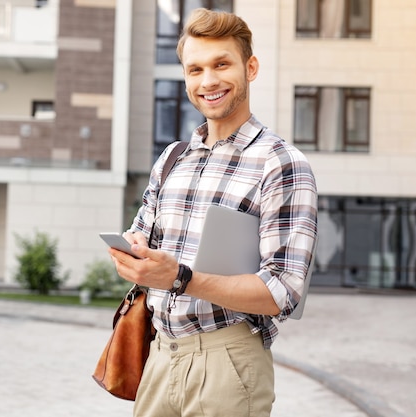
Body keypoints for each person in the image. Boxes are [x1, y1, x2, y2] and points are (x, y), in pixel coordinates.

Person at [108, 8, 318, 417]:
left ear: (250, 67)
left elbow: (284, 292)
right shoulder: (172, 158)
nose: (208, 81)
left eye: (222, 64)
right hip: (160, 354)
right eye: (195, 69)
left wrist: (179, 278)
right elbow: (139, 233)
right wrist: (132, 252)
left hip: (229, 360)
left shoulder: (281, 164)